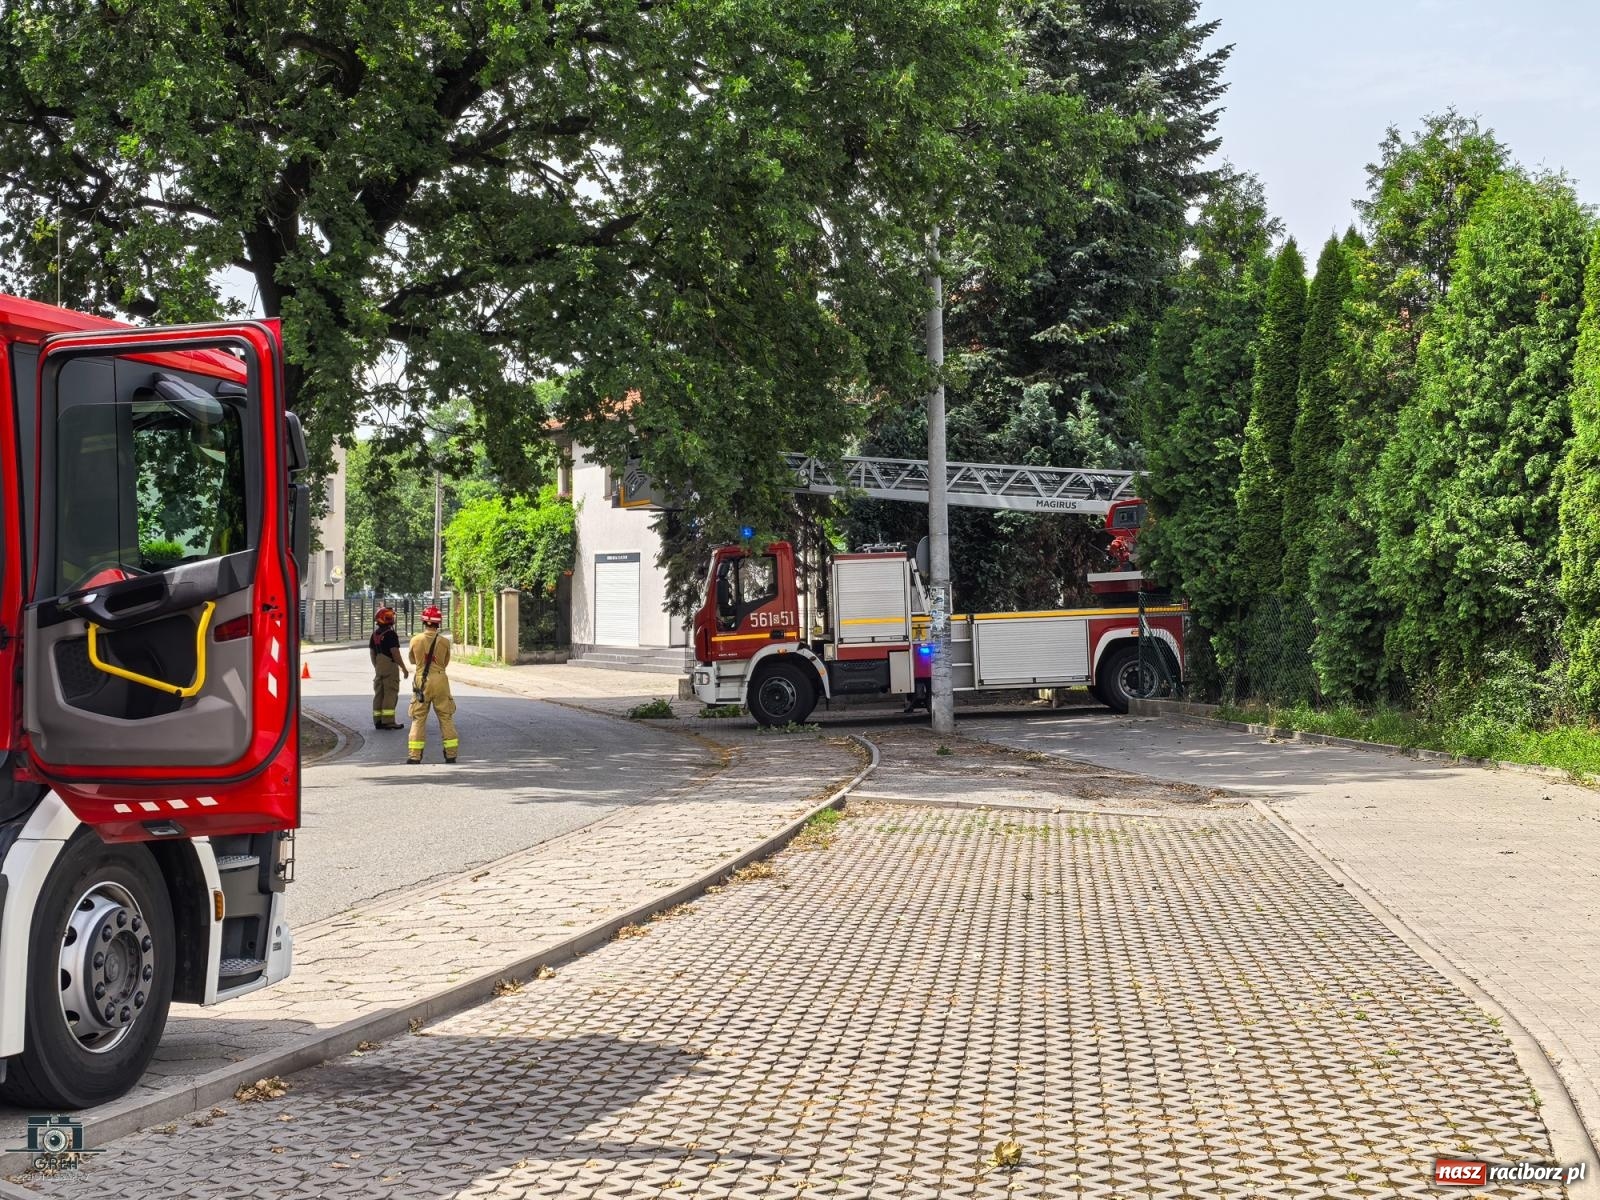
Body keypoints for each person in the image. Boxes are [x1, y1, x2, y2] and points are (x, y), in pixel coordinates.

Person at [407, 605, 458, 764]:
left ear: (424, 622)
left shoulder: (415, 640)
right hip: (441, 680)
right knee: (445, 717)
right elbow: (445, 662)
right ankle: (450, 754)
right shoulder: (444, 642)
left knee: (418, 718)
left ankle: (415, 756)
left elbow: (412, 660)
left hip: (422, 681)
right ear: (438, 623)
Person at [368, 607, 408, 730]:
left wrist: (377, 666)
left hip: (379, 667)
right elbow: (395, 653)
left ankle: (378, 720)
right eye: (391, 616)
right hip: (390, 667)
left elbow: (372, 653)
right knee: (390, 694)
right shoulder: (390, 635)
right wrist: (403, 668)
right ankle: (389, 721)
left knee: (379, 694)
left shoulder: (375, 634)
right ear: (388, 619)